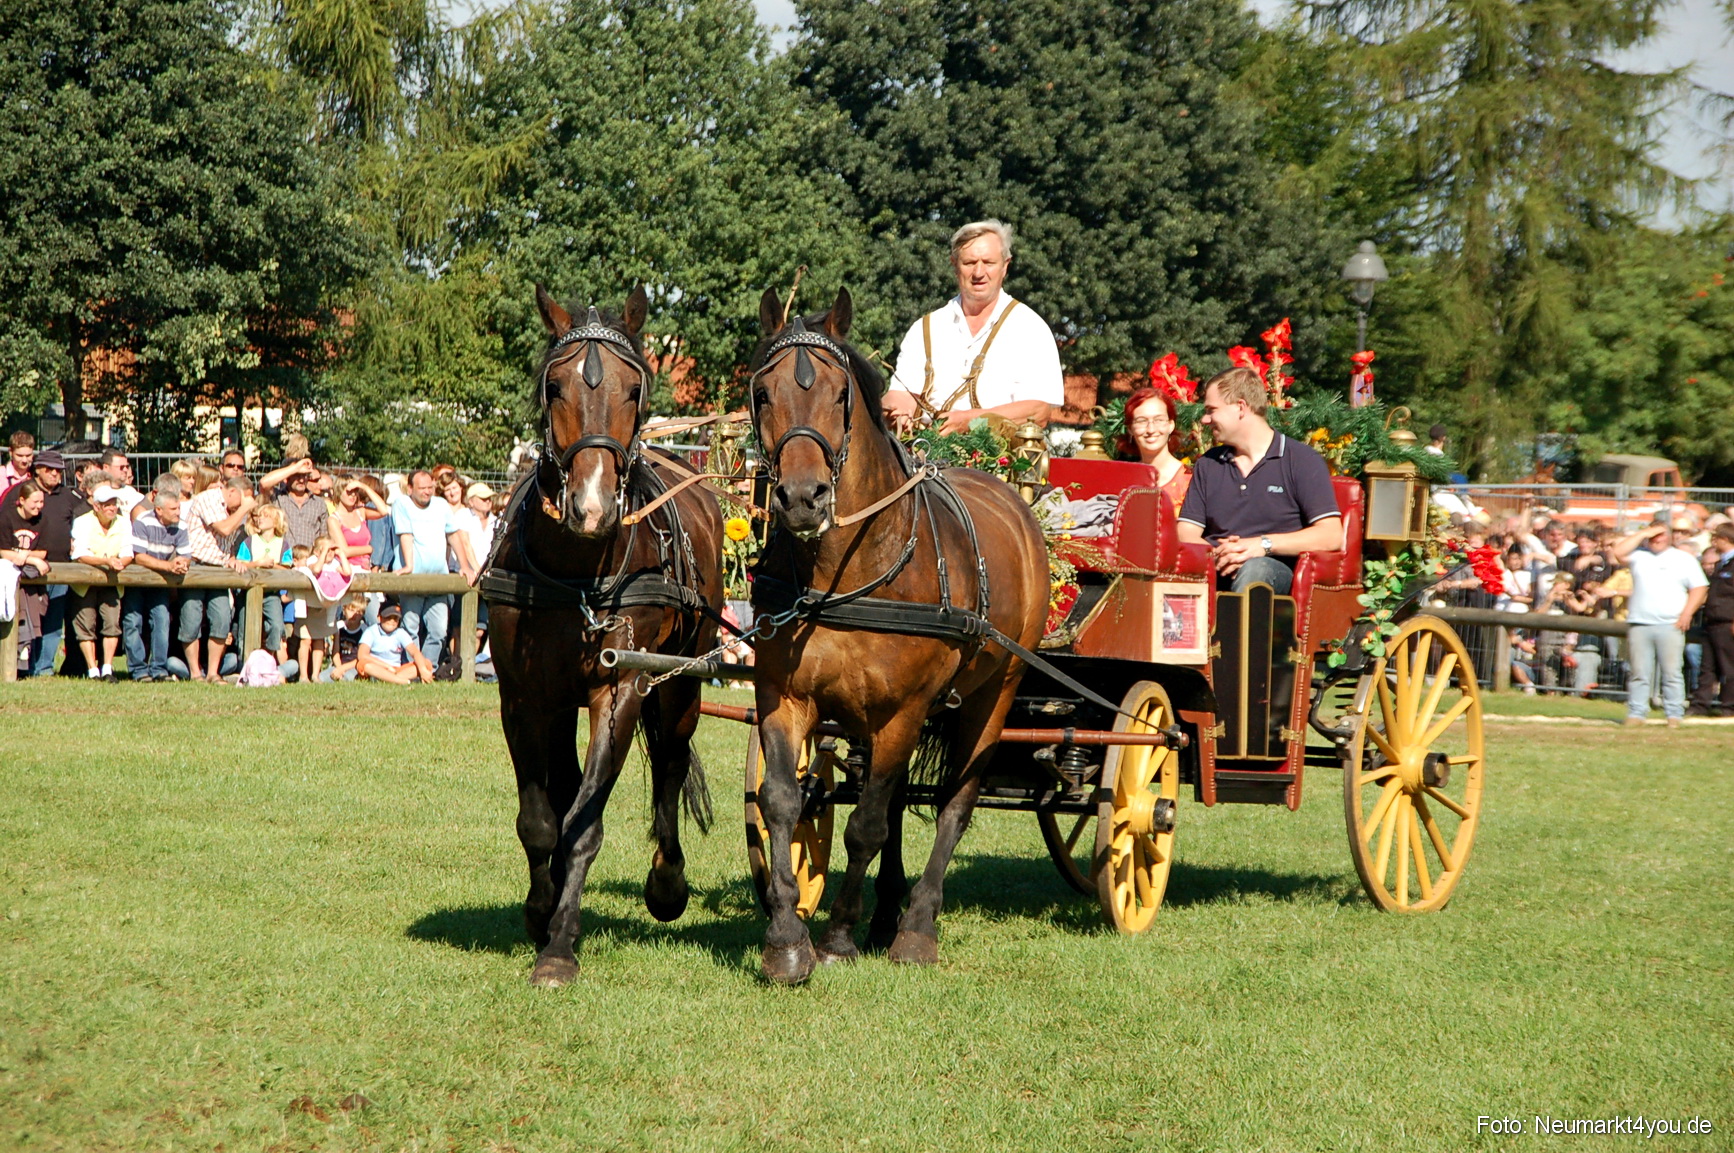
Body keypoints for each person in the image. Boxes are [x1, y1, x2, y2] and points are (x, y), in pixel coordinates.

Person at [883, 220, 1065, 433]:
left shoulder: (1030, 329)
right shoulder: (925, 328)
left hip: (1003, 461)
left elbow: (1038, 412)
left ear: (1005, 266)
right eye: (969, 263)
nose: (979, 272)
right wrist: (894, 409)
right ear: (954, 265)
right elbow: (901, 393)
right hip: (924, 458)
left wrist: (970, 421)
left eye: (988, 262)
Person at [1176, 368, 1341, 594]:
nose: (1205, 420)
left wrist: (1261, 545)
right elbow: (1185, 531)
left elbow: (1331, 535)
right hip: (1213, 569)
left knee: (1256, 570)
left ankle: (1238, 630)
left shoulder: (1301, 460)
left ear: (1241, 407)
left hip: (1272, 573)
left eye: (1211, 410)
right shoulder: (1208, 464)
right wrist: (1220, 556)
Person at [1611, 518, 1708, 728]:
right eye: (1653, 535)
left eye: (1661, 534)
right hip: (1639, 622)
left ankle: (1674, 714)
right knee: (1639, 672)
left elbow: (1699, 588)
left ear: (1670, 536)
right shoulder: (1639, 556)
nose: (1657, 539)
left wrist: (1686, 614)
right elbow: (1617, 552)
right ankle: (1637, 713)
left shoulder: (1684, 559)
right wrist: (1643, 533)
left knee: (1672, 672)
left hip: (1670, 623)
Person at [0, 450, 86, 676]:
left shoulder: (68, 496)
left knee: (54, 622)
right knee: (27, 619)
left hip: (60, 568)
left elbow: (85, 518)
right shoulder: (18, 493)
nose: (56, 474)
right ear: (38, 469)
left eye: (59, 470)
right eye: (50, 469)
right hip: (24, 570)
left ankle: (44, 668)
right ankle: (22, 667)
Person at [392, 468, 477, 669]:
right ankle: (411, 670)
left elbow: (453, 535)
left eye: (430, 487)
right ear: (410, 488)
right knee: (410, 627)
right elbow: (406, 534)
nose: (427, 492)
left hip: (439, 579)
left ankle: (428, 669)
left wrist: (465, 566)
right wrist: (409, 565)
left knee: (439, 631)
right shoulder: (401, 504)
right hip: (413, 578)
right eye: (422, 488)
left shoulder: (441, 505)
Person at [181, 475, 255, 682]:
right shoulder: (209, 498)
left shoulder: (235, 510)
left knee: (222, 619)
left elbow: (227, 540)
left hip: (219, 568)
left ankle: (213, 672)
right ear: (232, 492)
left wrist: (231, 558)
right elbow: (223, 528)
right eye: (242, 501)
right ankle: (195, 673)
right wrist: (243, 509)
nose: (243, 507)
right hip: (196, 565)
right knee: (191, 619)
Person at [123, 489, 191, 681]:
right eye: (173, 509)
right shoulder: (143, 522)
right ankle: (138, 669)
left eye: (178, 508)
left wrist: (182, 563)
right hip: (137, 581)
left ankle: (159, 669)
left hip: (160, 582)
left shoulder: (181, 526)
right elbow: (140, 556)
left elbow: (186, 554)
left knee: (161, 621)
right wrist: (168, 566)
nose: (178, 512)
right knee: (133, 622)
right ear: (159, 510)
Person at [68, 484, 134, 680]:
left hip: (112, 582)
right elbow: (80, 553)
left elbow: (128, 551)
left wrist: (120, 562)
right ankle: (92, 669)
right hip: (84, 584)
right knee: (86, 624)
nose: (112, 508)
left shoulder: (124, 522)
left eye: (114, 504)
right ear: (96, 507)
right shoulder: (82, 522)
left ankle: (107, 667)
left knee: (112, 623)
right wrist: (106, 561)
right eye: (107, 504)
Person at [1113, 387, 1191, 511]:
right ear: (1130, 429)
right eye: (1141, 421)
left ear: (1171, 425)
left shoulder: (1191, 480)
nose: (1151, 429)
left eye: (1159, 420)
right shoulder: (1121, 481)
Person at [0, 479, 50, 664]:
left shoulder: (42, 519)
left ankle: (26, 653)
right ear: (22, 500)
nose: (39, 506)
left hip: (30, 572)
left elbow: (43, 551)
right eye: (35, 502)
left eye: (41, 502)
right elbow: (4, 551)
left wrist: (26, 556)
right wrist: (32, 559)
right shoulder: (6, 518)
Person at [1688, 522, 1734, 716]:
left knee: (1730, 668)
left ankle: (1729, 708)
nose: (1713, 541)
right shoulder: (1721, 563)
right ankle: (1700, 706)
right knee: (1707, 667)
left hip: (1728, 623)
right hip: (1712, 622)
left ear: (1725, 539)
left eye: (1716, 537)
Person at [238, 503, 289, 656]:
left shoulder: (283, 544)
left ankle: (268, 658)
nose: (261, 519)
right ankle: (245, 665)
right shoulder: (249, 541)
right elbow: (242, 565)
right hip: (248, 592)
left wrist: (272, 566)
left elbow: (288, 569)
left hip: (271, 593)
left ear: (276, 522)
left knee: (276, 626)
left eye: (266, 516)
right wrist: (258, 564)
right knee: (245, 629)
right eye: (260, 515)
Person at [356, 602, 436, 683]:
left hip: (396, 670)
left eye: (395, 618)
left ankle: (387, 679)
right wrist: (386, 666)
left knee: (426, 663)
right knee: (363, 664)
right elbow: (362, 655)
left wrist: (422, 670)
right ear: (379, 618)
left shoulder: (400, 633)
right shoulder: (371, 631)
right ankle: (400, 681)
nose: (392, 621)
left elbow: (415, 652)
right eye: (388, 617)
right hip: (377, 667)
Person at [329, 474, 388, 572]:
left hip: (364, 569)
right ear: (339, 492)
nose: (353, 495)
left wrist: (364, 487)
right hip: (347, 570)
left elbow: (383, 511)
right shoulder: (334, 520)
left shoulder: (361, 512)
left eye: (355, 492)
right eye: (349, 492)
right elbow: (345, 551)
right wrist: (369, 549)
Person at [320, 595, 368, 682]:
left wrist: (343, 669)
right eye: (351, 610)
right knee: (322, 678)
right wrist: (339, 668)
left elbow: (361, 657)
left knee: (347, 678)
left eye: (359, 612)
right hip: (339, 664)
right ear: (344, 610)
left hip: (354, 665)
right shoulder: (339, 627)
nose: (354, 615)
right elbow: (336, 652)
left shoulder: (364, 630)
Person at [99, 449, 146, 519]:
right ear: (106, 467)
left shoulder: (134, 494)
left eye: (127, 467)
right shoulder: (98, 492)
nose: (125, 470)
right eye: (121, 467)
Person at [1, 430, 34, 500]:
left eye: (28, 455)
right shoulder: (1, 474)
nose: (24, 460)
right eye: (20, 456)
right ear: (10, 452)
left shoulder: (35, 475)